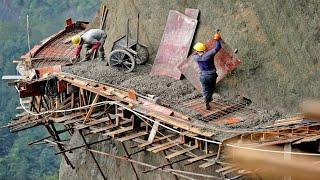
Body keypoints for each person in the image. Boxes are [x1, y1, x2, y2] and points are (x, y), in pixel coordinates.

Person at [193, 33, 222, 110]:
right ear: (204, 49)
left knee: (205, 89)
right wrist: (217, 39)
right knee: (212, 88)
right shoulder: (209, 54)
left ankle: (207, 99)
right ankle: (208, 98)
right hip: (211, 75)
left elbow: (196, 53)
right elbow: (218, 47)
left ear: (197, 50)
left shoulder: (195, 57)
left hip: (203, 76)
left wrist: (200, 50)